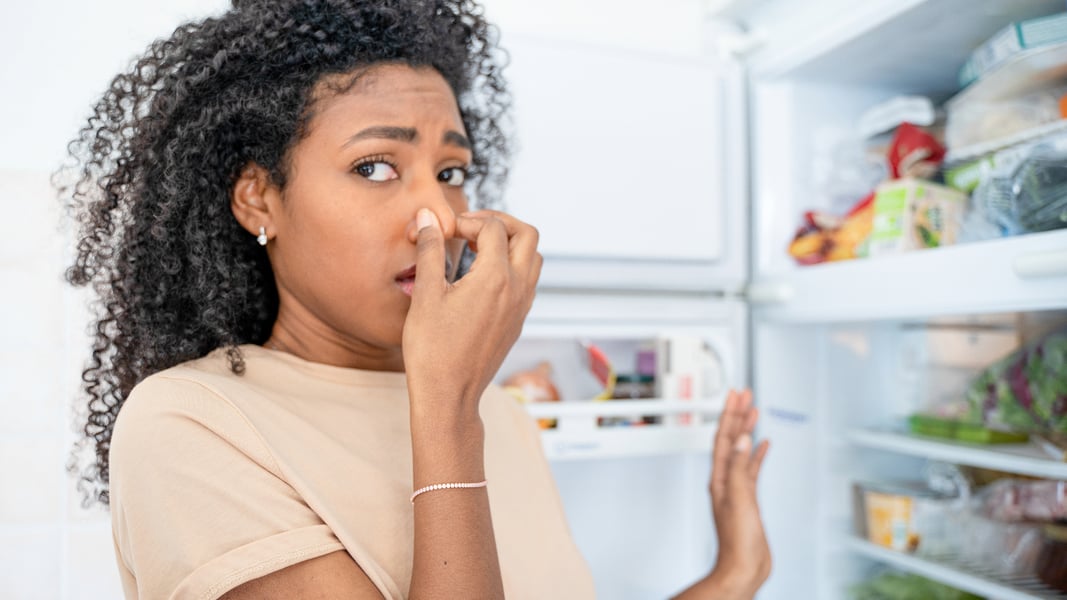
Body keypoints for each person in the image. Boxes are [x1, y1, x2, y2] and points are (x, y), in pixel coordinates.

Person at [60, 0, 771, 598]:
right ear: (257, 199)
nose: (438, 216)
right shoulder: (191, 424)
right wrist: (448, 408)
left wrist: (732, 575)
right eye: (374, 166)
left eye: (452, 170)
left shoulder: (497, 413)